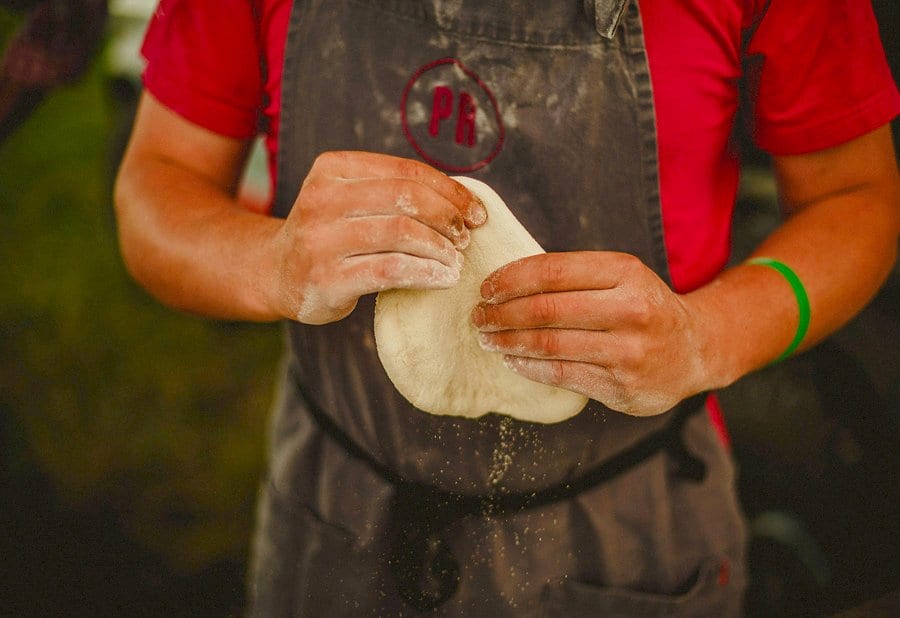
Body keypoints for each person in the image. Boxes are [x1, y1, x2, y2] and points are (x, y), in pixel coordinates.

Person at [113, 0, 899, 614]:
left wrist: (707, 336)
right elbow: (155, 186)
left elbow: (859, 201)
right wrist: (269, 261)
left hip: (621, 535)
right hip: (335, 504)